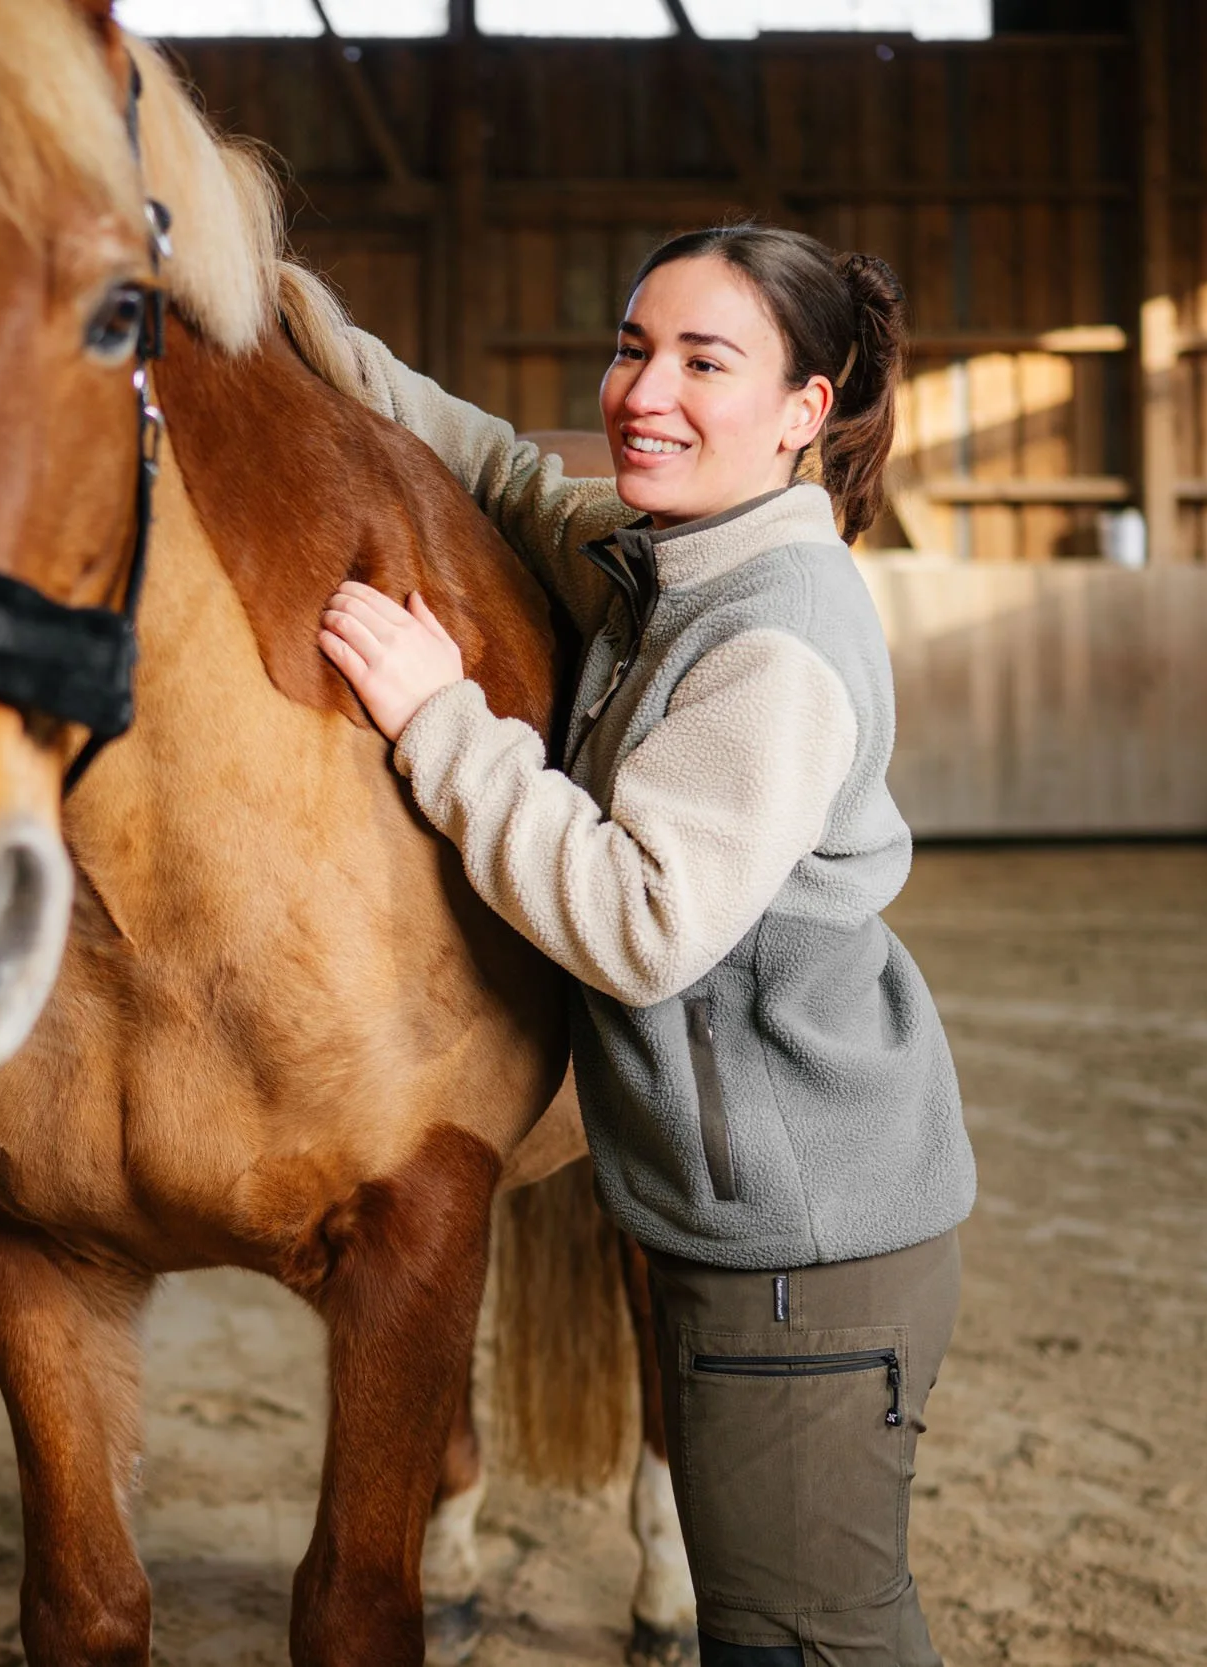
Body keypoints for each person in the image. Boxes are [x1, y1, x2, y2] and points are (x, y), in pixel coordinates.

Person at [318, 225, 976, 1667]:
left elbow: (637, 925)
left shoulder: (774, 636)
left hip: (806, 1241)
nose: (643, 390)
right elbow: (493, 462)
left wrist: (442, 721)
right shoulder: (665, 563)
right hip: (740, 1217)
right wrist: (278, 310)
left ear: (807, 411)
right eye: (631, 348)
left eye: (703, 359)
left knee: (805, 1639)